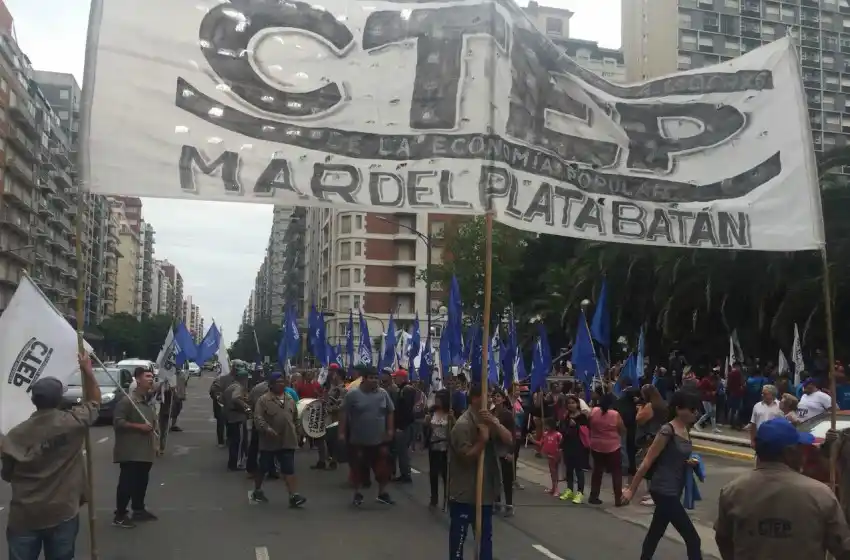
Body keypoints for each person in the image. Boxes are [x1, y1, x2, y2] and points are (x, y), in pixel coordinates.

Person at [2, 354, 101, 559]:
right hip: (62, 512)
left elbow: (7, 475)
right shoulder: (73, 423)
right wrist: (87, 371)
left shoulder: (14, 436)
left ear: (33, 400)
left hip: (25, 516)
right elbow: (95, 402)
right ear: (59, 400)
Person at [715, 417, 850, 560]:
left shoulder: (732, 491)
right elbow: (843, 549)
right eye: (800, 447)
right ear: (790, 452)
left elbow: (723, 541)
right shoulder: (820, 495)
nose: (803, 453)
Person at [622, 390, 702, 560]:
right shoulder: (667, 430)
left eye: (697, 409)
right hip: (664, 489)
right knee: (693, 539)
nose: (696, 413)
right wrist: (631, 490)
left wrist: (690, 462)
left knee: (656, 532)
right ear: (679, 409)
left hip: (674, 487)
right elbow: (647, 461)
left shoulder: (685, 429)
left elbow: (676, 456)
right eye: (692, 409)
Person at [448, 383, 514, 560]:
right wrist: (482, 441)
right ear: (476, 398)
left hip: (484, 493)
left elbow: (509, 440)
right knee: (458, 541)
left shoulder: (489, 421)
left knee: (485, 540)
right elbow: (466, 457)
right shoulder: (462, 425)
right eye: (488, 395)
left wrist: (494, 423)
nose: (492, 399)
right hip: (464, 493)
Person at [338, 366, 396, 507]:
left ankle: (382, 493)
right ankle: (358, 494)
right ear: (364, 379)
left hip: (379, 439)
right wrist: (341, 432)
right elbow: (344, 413)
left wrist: (390, 430)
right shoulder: (352, 395)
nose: (375, 380)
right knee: (358, 469)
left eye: (376, 378)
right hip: (358, 439)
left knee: (383, 469)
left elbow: (390, 411)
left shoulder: (383, 394)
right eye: (371, 378)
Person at [112, 366, 159, 528]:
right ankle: (120, 515)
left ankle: (138, 509)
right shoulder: (127, 400)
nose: (151, 379)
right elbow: (118, 422)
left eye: (152, 376)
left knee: (141, 482)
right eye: (147, 376)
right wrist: (138, 427)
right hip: (131, 450)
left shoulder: (147, 400)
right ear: (137, 379)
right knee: (127, 483)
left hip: (145, 450)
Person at [250, 373, 306, 507]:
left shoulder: (290, 399)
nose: (281, 384)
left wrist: (300, 433)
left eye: (282, 382)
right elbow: (258, 418)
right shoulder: (263, 400)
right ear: (271, 385)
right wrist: (267, 429)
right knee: (263, 467)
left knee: (289, 469)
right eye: (278, 382)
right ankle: (257, 490)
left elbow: (296, 418)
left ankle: (294, 495)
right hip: (269, 442)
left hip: (288, 440)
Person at [588, 392, 625, 506]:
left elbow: (590, 425)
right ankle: (618, 499)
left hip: (596, 444)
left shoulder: (594, 411)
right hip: (612, 446)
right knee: (616, 472)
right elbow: (622, 430)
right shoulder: (615, 414)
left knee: (597, 471)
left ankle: (593, 496)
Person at [558, 395, 589, 504]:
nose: (571, 405)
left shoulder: (582, 417)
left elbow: (586, 431)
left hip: (579, 446)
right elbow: (562, 430)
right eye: (569, 403)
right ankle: (569, 489)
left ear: (577, 404)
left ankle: (580, 492)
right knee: (569, 468)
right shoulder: (566, 416)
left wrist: (575, 426)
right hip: (567, 445)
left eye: (573, 402)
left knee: (579, 469)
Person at [492, 390, 517, 515]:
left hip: (505, 448)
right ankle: (496, 502)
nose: (495, 398)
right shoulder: (491, 413)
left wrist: (511, 452)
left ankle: (509, 504)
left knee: (507, 478)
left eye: (498, 396)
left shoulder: (507, 414)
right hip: (494, 449)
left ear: (503, 399)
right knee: (495, 477)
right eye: (494, 396)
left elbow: (513, 433)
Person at [425, 389, 451, 508]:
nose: (438, 401)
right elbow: (427, 429)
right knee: (433, 473)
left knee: (446, 474)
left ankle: (448, 497)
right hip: (434, 446)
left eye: (440, 399)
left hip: (446, 447)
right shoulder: (432, 412)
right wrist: (427, 423)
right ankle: (434, 496)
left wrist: (453, 419)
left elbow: (455, 429)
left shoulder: (450, 413)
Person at [222, 368, 251, 471]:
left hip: (230, 418)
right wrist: (246, 407)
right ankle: (237, 464)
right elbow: (235, 398)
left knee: (233, 442)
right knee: (239, 442)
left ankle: (232, 463)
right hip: (237, 418)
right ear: (243, 379)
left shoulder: (231, 386)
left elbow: (223, 399)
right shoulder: (239, 387)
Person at [392, 370, 417, 483]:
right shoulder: (404, 389)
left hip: (405, 426)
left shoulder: (406, 390)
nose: (394, 379)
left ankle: (406, 475)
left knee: (403, 451)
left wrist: (401, 426)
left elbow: (406, 410)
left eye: (396, 377)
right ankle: (404, 473)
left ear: (402, 378)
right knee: (401, 451)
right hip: (405, 425)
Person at [747, 384, 783, 449]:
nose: (762, 395)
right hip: (760, 438)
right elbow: (753, 424)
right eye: (762, 393)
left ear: (772, 394)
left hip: (775, 439)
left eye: (765, 394)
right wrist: (752, 440)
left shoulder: (780, 406)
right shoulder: (757, 406)